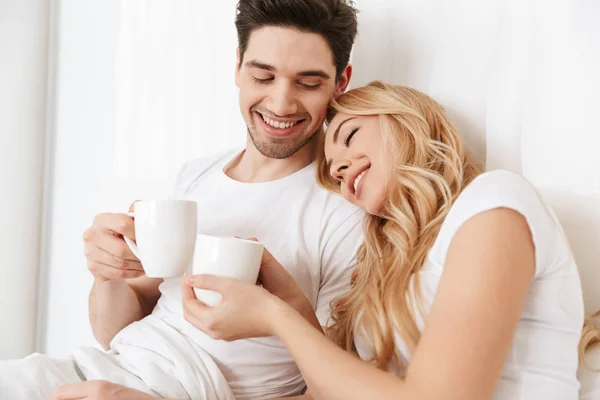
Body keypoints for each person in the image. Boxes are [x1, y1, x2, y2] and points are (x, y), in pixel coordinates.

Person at [0, 1, 365, 399]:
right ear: (238, 66)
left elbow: (337, 387)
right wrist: (108, 274)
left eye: (308, 84)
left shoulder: (347, 210)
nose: (280, 104)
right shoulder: (197, 176)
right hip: (110, 369)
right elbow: (114, 333)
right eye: (263, 76)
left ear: (341, 81)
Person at [176, 81, 597, 400]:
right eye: (333, 173)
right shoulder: (395, 260)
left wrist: (275, 318)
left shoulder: (495, 203)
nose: (338, 167)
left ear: (405, 121)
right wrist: (295, 308)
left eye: (350, 136)